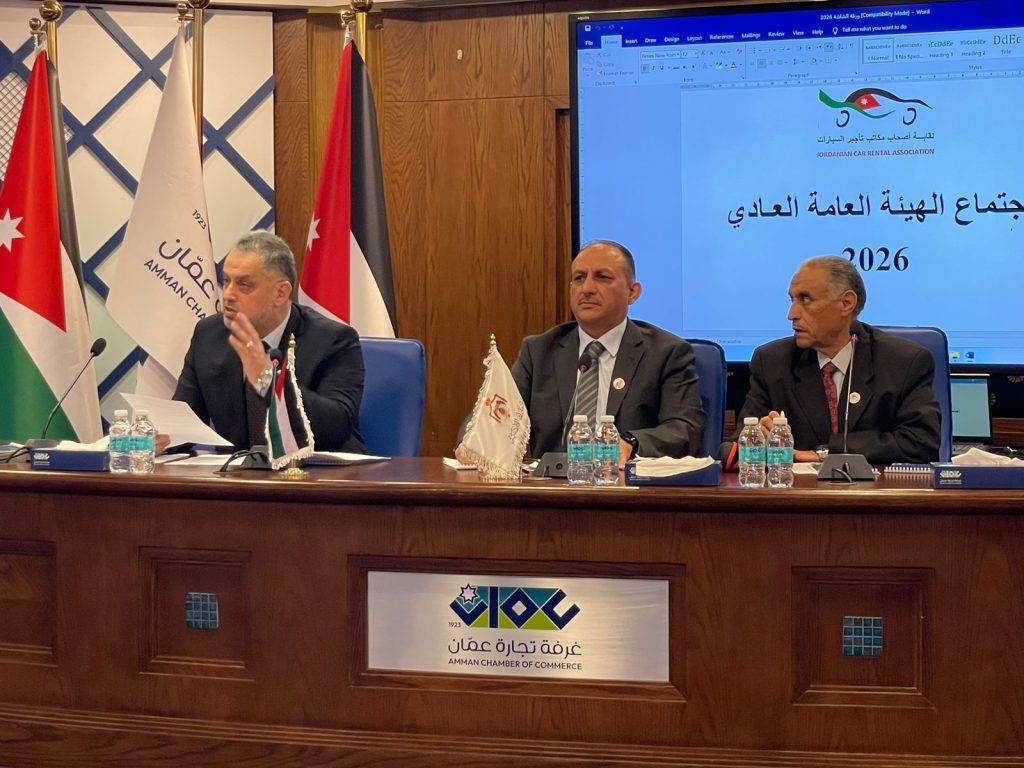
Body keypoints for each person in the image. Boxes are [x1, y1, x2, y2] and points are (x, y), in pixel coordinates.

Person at [173, 230, 368, 453]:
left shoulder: (333, 340)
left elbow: (337, 426)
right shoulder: (209, 335)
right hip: (239, 472)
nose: (228, 294)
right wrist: (162, 438)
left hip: (318, 470)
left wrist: (268, 381)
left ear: (281, 293)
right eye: (226, 281)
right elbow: (184, 423)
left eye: (244, 285)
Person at [511, 240, 704, 462]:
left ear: (633, 293)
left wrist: (631, 444)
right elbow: (498, 419)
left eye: (602, 277)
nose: (587, 289)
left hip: (628, 480)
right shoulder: (539, 351)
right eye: (579, 278)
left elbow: (685, 429)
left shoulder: (666, 353)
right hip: (555, 481)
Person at [736, 255, 940, 465]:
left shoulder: (903, 362)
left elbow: (921, 443)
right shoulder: (772, 362)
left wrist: (826, 453)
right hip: (796, 485)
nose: (792, 314)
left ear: (846, 303)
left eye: (805, 299)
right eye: (792, 300)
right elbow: (731, 449)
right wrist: (757, 439)